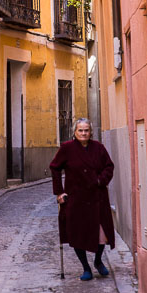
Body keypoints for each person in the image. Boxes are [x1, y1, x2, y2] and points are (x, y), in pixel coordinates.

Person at [50, 118, 115, 281]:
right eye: (80, 130)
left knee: (102, 234)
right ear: (75, 132)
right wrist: (59, 192)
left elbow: (109, 166)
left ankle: (98, 261)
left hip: (97, 197)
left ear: (90, 132)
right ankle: (86, 268)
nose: (83, 133)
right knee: (77, 234)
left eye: (86, 130)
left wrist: (101, 180)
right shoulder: (67, 148)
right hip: (76, 198)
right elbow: (55, 167)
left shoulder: (98, 148)